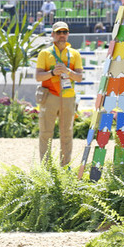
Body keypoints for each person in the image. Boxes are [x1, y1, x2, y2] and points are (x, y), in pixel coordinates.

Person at [35, 22, 83, 166]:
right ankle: (46, 169)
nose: (62, 35)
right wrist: (52, 72)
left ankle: (65, 168)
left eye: (64, 32)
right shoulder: (45, 53)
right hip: (49, 96)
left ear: (68, 34)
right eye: (58, 32)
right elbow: (38, 77)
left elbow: (79, 77)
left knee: (67, 135)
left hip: (68, 97)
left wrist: (68, 71)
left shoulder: (75, 54)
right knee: (45, 134)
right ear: (53, 35)